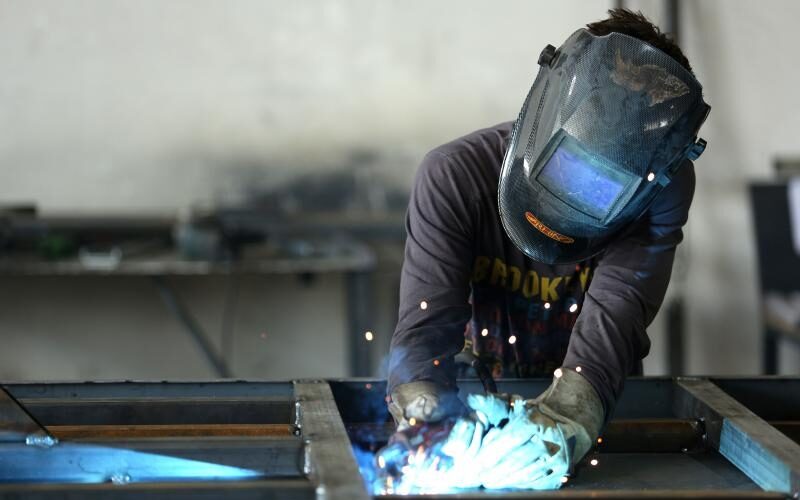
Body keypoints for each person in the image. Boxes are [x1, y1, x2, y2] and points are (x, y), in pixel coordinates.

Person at [385, 8, 710, 490]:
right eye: (569, 166)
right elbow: (425, 329)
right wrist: (424, 414)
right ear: (552, 113)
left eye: (603, 186)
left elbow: (616, 313)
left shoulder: (659, 190)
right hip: (475, 408)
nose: (574, 198)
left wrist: (571, 418)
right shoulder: (454, 175)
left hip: (594, 407)